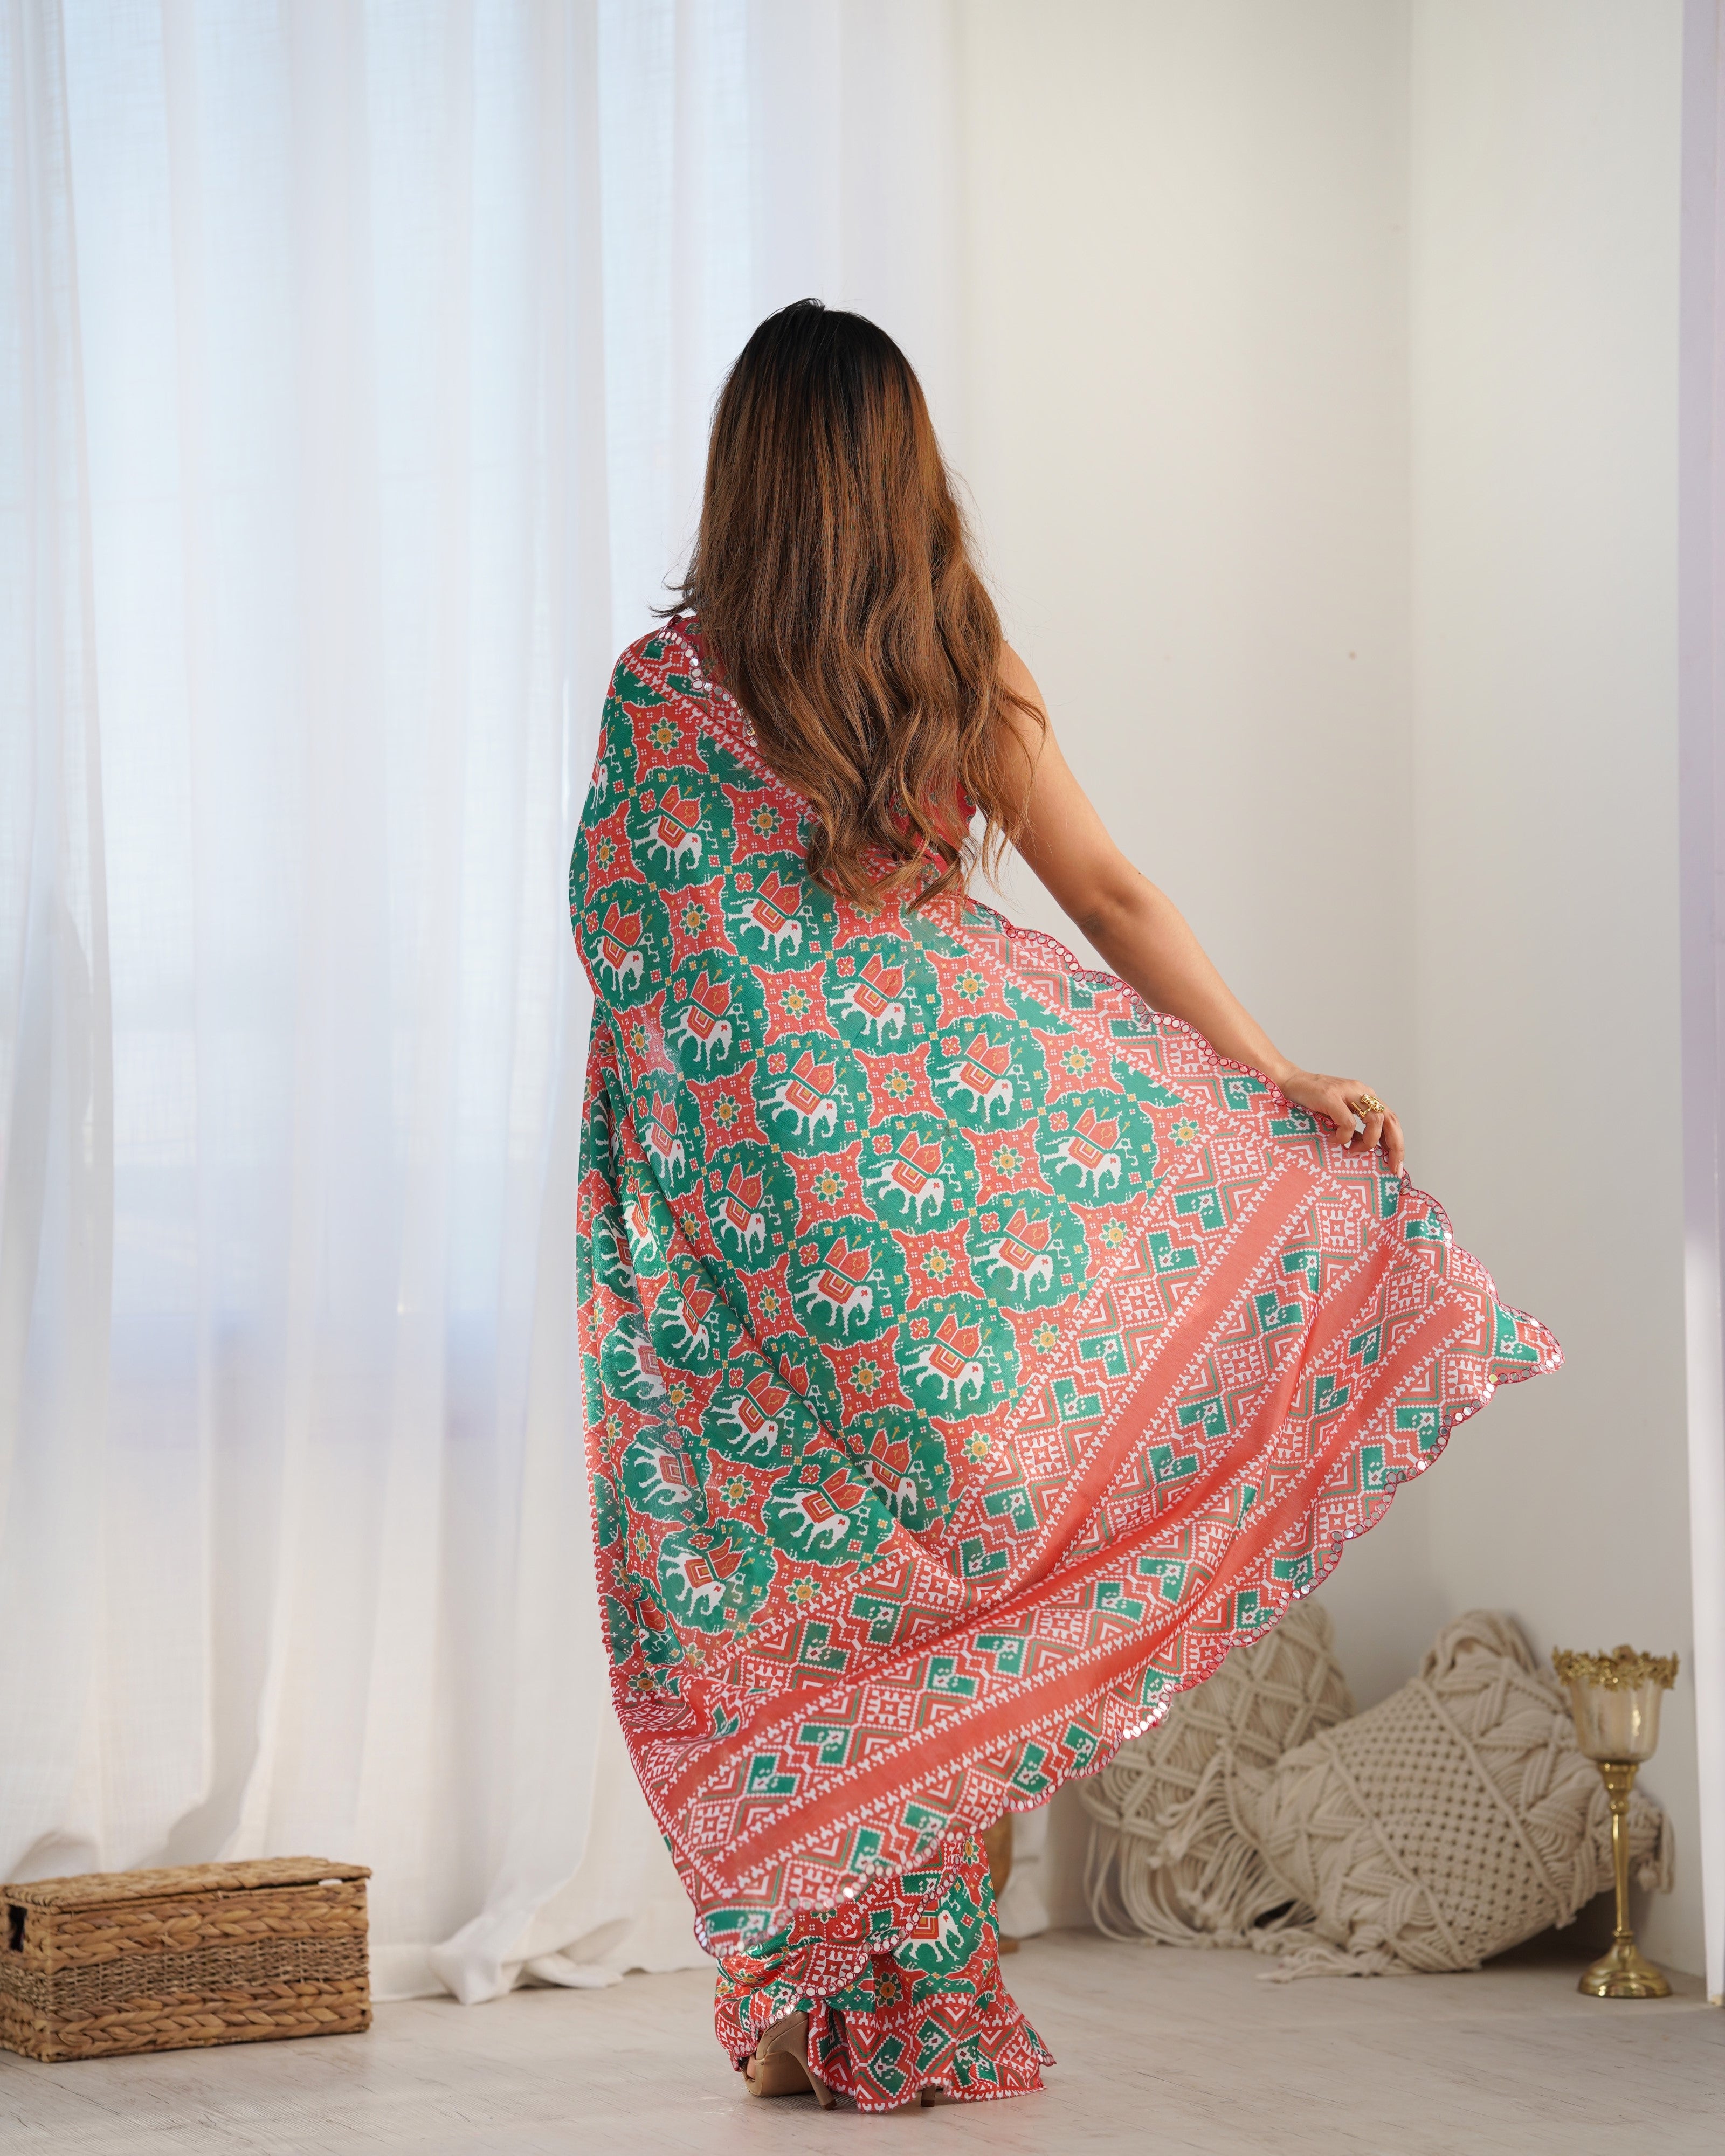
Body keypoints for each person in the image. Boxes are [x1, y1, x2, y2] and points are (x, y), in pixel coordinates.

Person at [569, 299, 1560, 2112]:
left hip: (767, 1257)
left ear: (746, 473)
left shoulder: (667, 697)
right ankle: (898, 2002)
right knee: (956, 1617)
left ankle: (818, 2002)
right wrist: (1271, 1076)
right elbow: (1108, 893)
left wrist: (715, 1189)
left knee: (808, 1612)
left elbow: (642, 963)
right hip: (951, 1255)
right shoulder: (955, 667)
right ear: (905, 474)